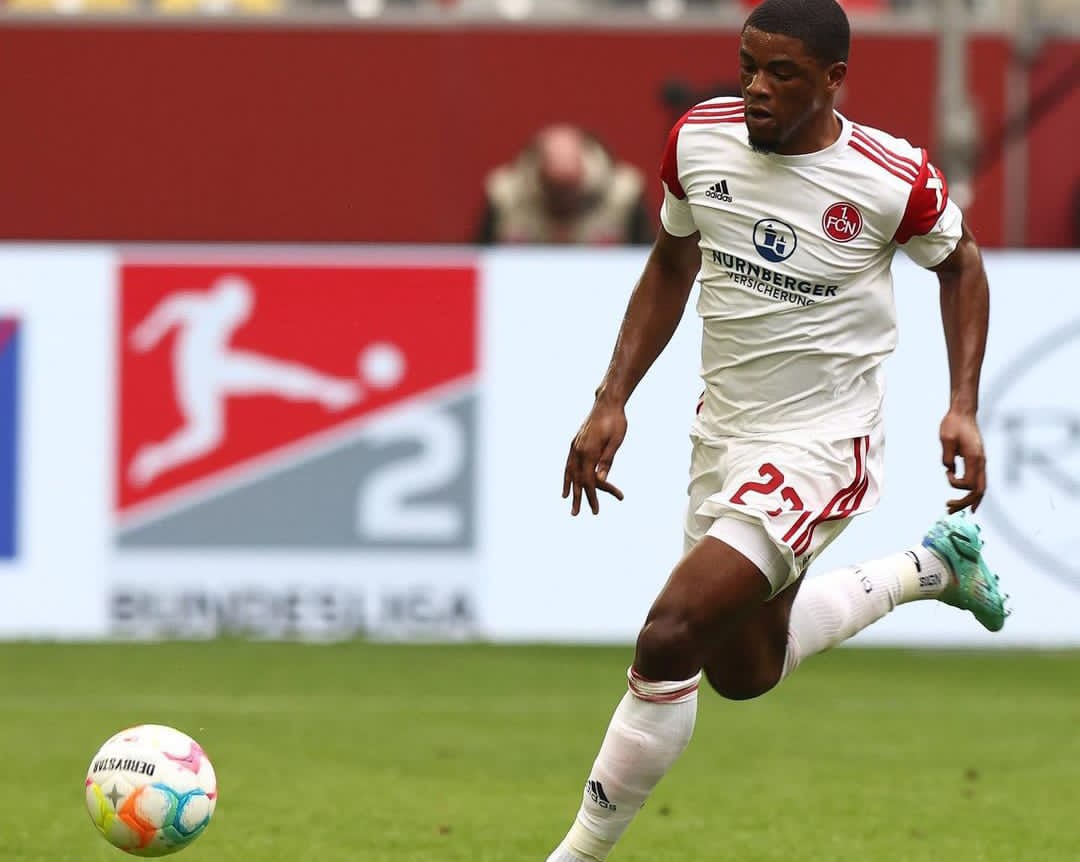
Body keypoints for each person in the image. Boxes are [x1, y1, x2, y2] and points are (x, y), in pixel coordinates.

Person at [547, 2, 1008, 861]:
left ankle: (574, 854)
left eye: (782, 73)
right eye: (748, 67)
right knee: (743, 672)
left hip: (824, 443)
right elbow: (672, 261)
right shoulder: (699, 140)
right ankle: (932, 567)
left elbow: (963, 264)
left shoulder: (889, 178)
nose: (756, 88)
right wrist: (612, 398)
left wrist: (963, 405)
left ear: (834, 80)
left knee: (670, 633)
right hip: (724, 434)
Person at [475, 123, 654, 245]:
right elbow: (479, 253)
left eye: (569, 190)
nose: (563, 200)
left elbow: (645, 255)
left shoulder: (624, 196)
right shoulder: (504, 197)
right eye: (557, 191)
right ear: (541, 178)